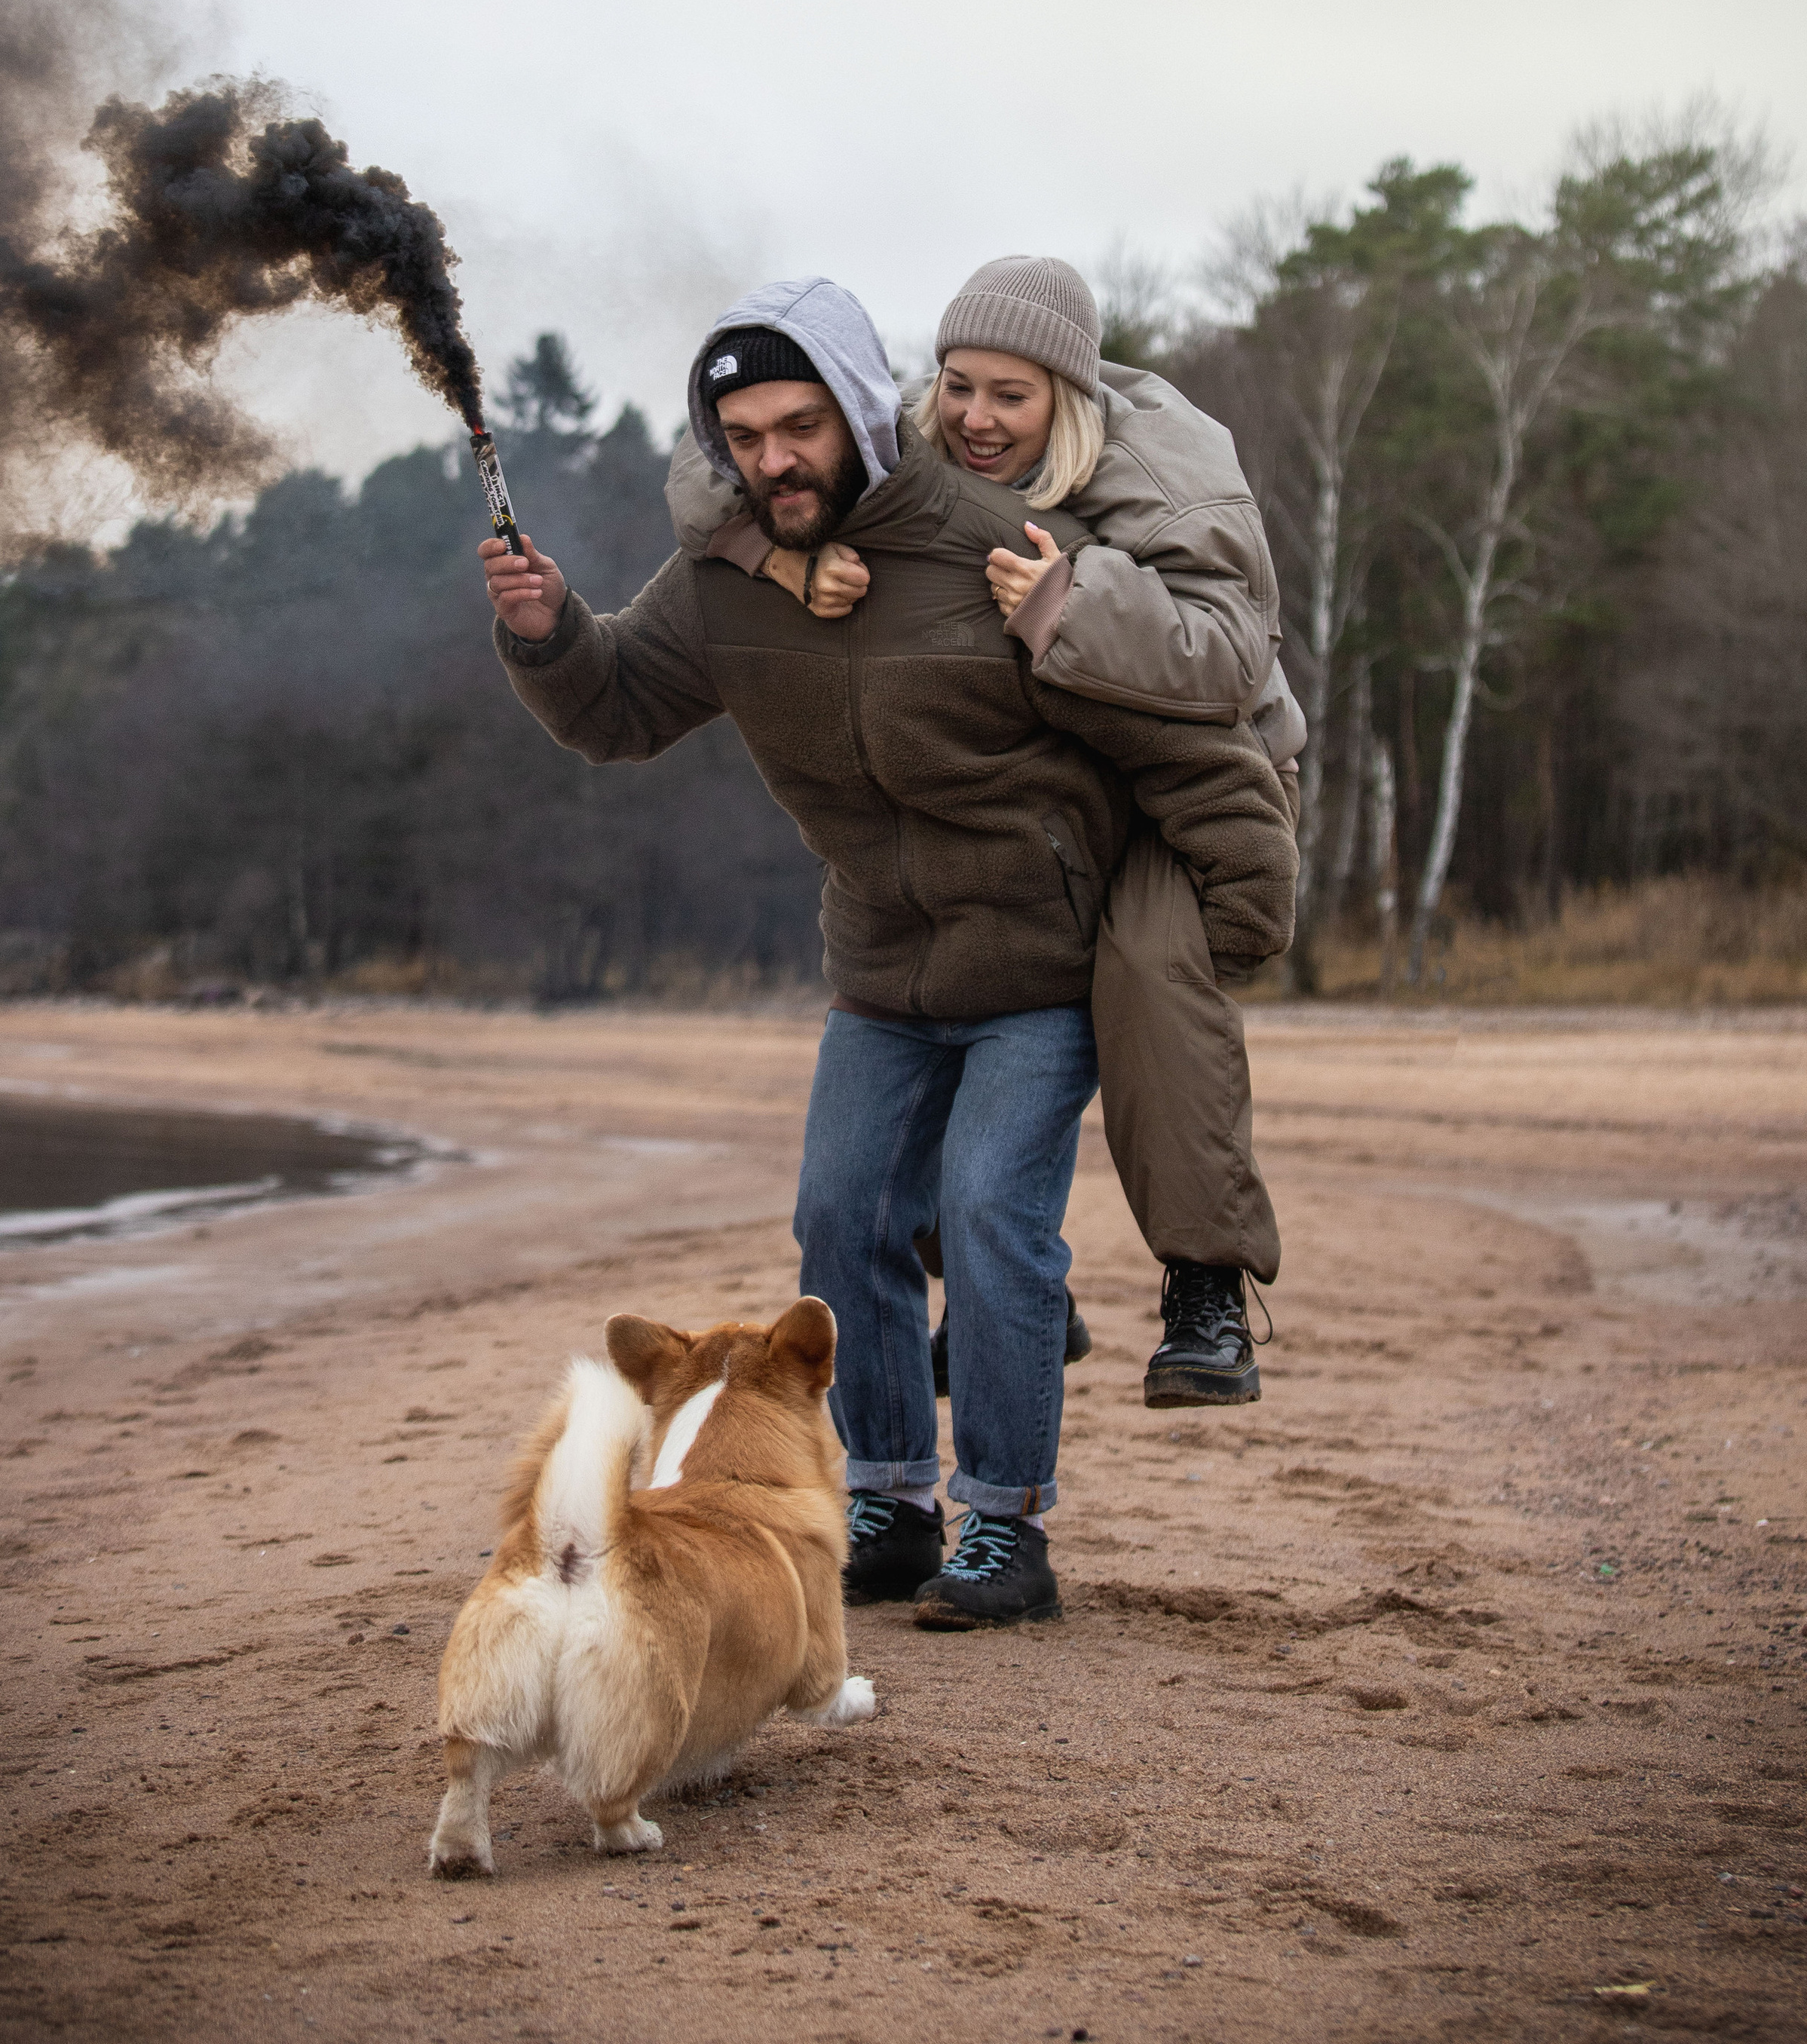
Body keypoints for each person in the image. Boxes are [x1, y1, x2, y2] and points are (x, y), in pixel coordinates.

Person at [481, 279, 1295, 1632]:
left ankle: (1004, 1528)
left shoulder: (1004, 554)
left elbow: (1184, 738)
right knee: (840, 1220)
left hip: (1036, 962)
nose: (774, 459)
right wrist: (546, 634)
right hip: (881, 970)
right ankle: (893, 1503)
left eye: (800, 426)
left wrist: (1242, 903)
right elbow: (617, 707)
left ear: (864, 413)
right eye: (744, 436)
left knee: (989, 1215)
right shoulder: (726, 580)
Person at [667, 254, 1306, 1408]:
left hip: (1206, 768)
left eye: (1009, 395)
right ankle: (1008, 1286)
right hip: (1071, 760)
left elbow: (1228, 659)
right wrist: (782, 553)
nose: (974, 418)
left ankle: (1206, 1292)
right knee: (956, 962)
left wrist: (1076, 600)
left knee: (1147, 971)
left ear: (1068, 394)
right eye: (957, 385)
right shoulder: (914, 454)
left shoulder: (1161, 470)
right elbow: (720, 475)